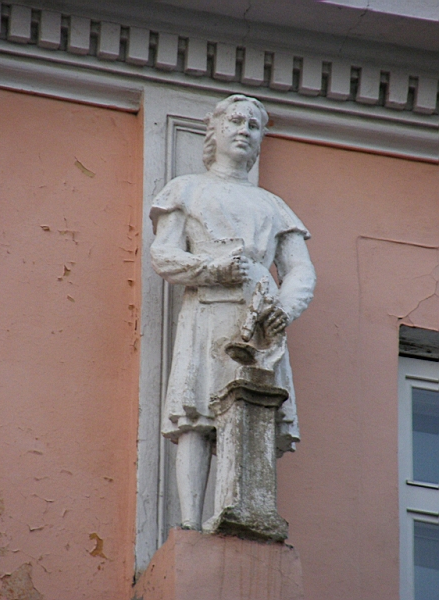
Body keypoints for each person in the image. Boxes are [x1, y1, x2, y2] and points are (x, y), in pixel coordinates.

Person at [150, 94, 316, 530]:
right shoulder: (187, 189)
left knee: (252, 410)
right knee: (194, 414)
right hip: (208, 311)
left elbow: (300, 270)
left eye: (253, 126)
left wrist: (283, 310)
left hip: (259, 317)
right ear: (215, 130)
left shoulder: (272, 205)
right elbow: (164, 255)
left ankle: (244, 512)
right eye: (236, 121)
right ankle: (190, 523)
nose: (244, 130)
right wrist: (213, 269)